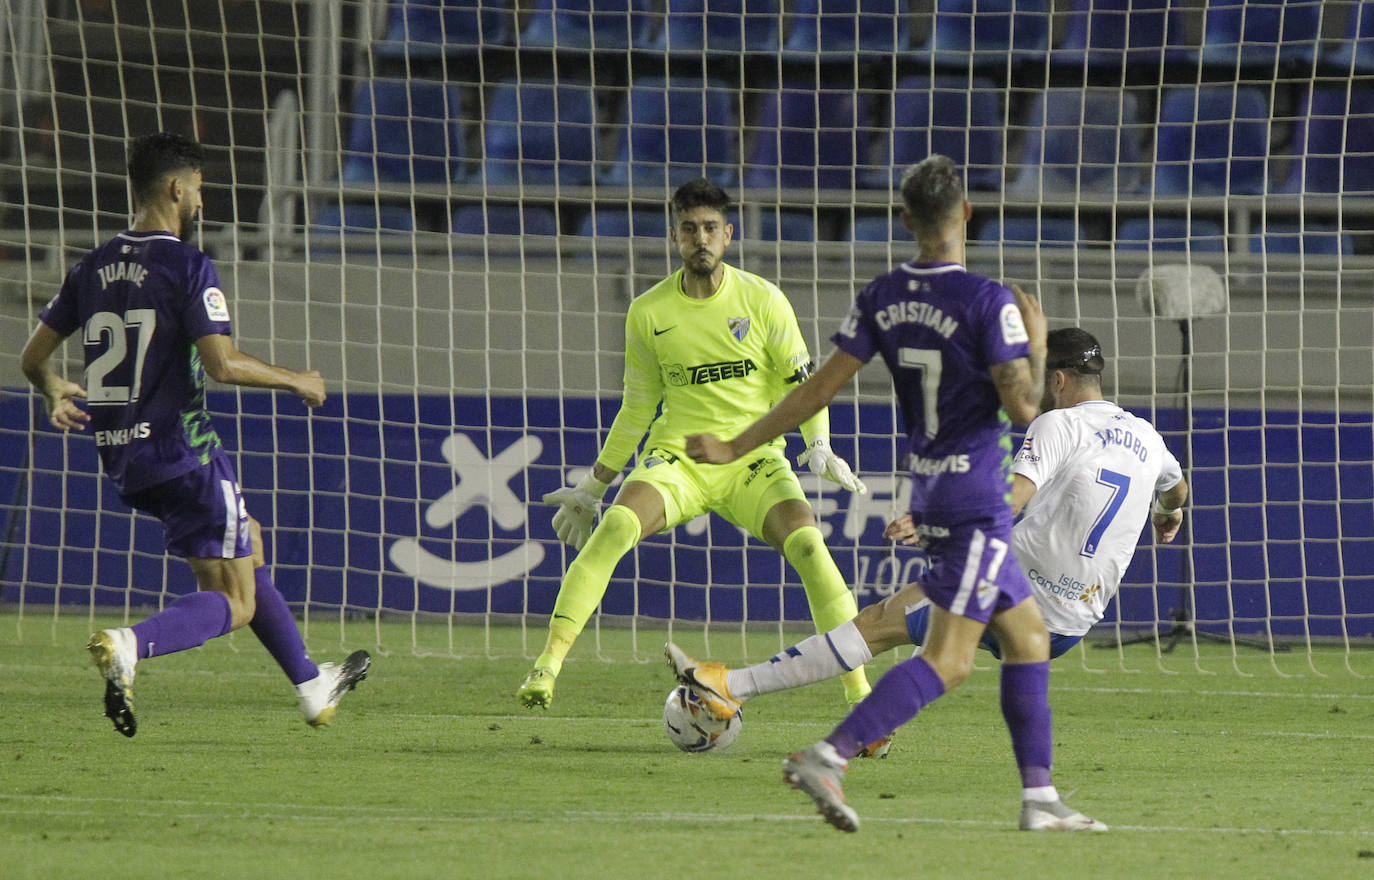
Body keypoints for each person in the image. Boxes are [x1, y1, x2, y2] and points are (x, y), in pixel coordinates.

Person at [684, 154, 1104, 833]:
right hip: (974, 500)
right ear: (967, 213)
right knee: (950, 661)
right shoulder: (987, 300)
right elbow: (1027, 410)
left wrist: (735, 445)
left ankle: (1040, 799)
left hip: (932, 491)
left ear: (906, 220)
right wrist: (1037, 346)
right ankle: (828, 755)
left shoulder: (881, 295)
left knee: (1027, 639)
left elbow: (818, 389)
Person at [19, 132, 370, 737]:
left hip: (123, 458)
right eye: (200, 189)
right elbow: (222, 363)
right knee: (235, 600)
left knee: (248, 545)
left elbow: (33, 357)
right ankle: (130, 644)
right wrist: (297, 380)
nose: (201, 200)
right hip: (186, 453)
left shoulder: (92, 266)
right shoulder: (186, 265)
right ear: (178, 188)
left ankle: (313, 683)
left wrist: (53, 388)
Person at [668, 326, 1190, 730]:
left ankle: (729, 686)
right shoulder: (1147, 437)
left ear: (1057, 379)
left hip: (1018, 592)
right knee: (939, 630)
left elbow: (1011, 501)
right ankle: (873, 729)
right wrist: (1168, 514)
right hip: (1072, 622)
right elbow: (1177, 488)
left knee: (880, 622)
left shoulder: (1058, 424)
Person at [519, 178, 872, 711]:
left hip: (752, 459)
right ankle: (546, 668)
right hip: (679, 460)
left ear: (727, 235)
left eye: (710, 229)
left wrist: (818, 444)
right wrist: (594, 484)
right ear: (675, 237)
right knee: (615, 525)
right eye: (690, 230)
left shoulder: (763, 300)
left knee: (807, 545)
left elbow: (804, 384)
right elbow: (638, 407)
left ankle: (859, 691)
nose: (700, 239)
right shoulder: (648, 312)